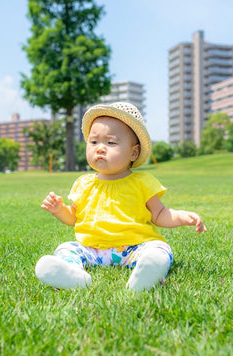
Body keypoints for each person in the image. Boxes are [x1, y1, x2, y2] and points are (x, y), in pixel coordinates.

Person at [36, 102, 206, 291]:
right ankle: (73, 275)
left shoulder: (142, 182)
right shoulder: (83, 183)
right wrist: (59, 210)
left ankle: (147, 272)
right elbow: (73, 217)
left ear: (133, 152)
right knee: (66, 248)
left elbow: (160, 214)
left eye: (111, 142)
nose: (100, 148)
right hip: (92, 249)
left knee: (159, 249)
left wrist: (184, 217)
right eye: (94, 142)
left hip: (135, 248)